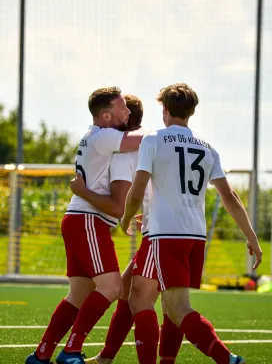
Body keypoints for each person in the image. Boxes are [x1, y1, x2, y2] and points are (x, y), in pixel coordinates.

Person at [120, 83, 262, 364]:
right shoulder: (207, 147)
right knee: (172, 305)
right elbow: (230, 196)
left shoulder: (154, 140)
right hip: (195, 236)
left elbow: (137, 189)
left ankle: (228, 359)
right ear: (192, 111)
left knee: (172, 305)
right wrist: (251, 237)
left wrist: (125, 218)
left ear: (165, 109)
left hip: (166, 234)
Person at [26, 87, 145, 364]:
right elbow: (117, 206)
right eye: (120, 108)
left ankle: (41, 354)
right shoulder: (107, 139)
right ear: (105, 116)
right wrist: (175, 131)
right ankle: (70, 351)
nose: (125, 112)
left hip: (80, 220)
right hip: (88, 221)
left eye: (128, 109)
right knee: (113, 287)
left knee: (78, 295)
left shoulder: (101, 136)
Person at [71, 95, 183, 364]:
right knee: (129, 288)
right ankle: (107, 356)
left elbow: (121, 203)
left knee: (159, 301)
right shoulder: (156, 143)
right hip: (168, 228)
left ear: (125, 117)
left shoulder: (125, 153)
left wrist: (86, 193)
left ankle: (218, 357)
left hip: (161, 233)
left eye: (121, 109)